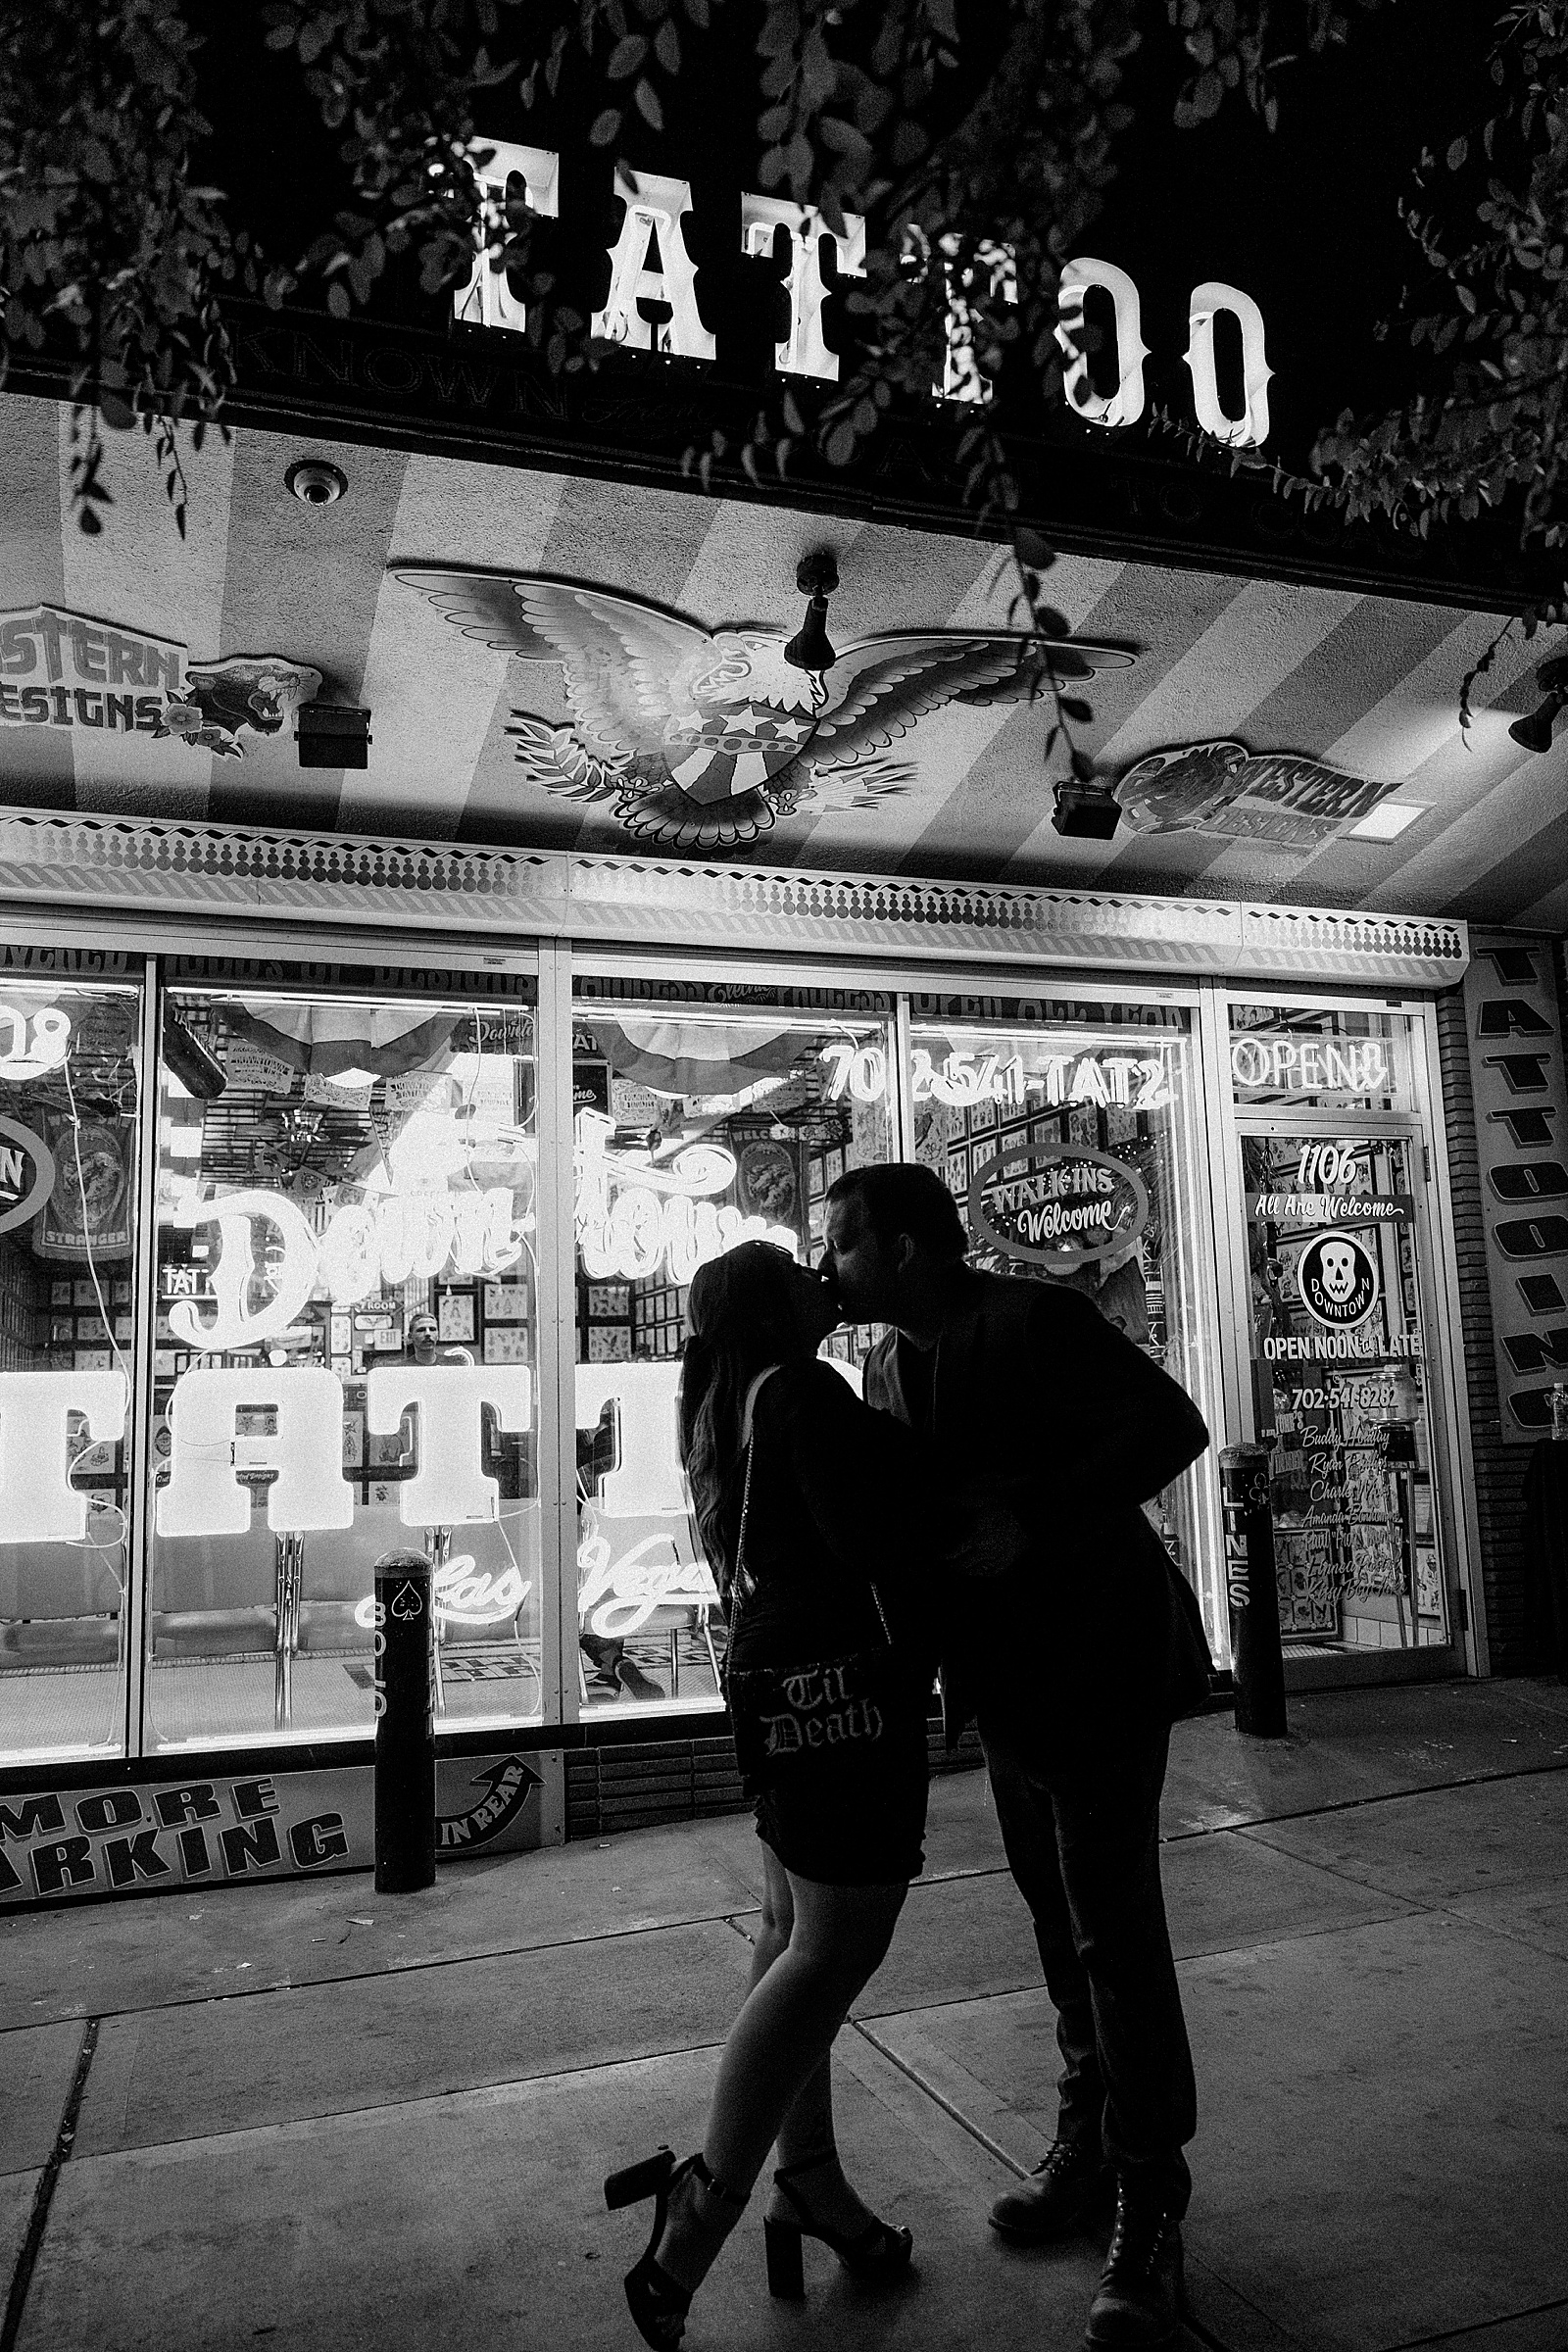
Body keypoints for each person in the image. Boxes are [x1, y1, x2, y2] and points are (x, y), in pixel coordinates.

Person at [819, 1162, 1212, 2352]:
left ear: (900, 1249)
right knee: (1057, 1925)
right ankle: (1088, 2145)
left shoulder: (1033, 1319)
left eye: (841, 1245)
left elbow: (1171, 1426)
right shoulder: (887, 1362)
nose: (827, 1266)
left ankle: (1153, 2196)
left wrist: (1031, 1516)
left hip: (1097, 1670)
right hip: (1005, 1689)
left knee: (1114, 1932)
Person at [604, 1240, 943, 2350]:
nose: (820, 1278)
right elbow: (871, 1539)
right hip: (839, 1682)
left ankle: (815, 2188)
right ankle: (702, 2207)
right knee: (832, 1947)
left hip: (769, 1674)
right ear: (770, 1304)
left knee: (790, 1928)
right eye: (800, 1270)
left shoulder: (727, 1401)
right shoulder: (805, 1389)